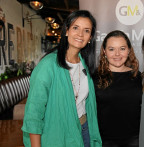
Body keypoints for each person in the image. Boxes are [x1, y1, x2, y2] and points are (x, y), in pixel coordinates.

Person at [21, 10, 102, 147]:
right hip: (56, 134)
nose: (80, 34)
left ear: (90, 38)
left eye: (86, 30)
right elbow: (34, 114)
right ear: (66, 31)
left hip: (84, 130)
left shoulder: (86, 64)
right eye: (75, 28)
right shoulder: (47, 65)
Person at [93, 30, 142, 147]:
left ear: (129, 50)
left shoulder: (139, 76)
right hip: (103, 141)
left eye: (122, 48)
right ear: (104, 51)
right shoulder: (94, 77)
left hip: (135, 140)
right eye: (111, 49)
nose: (117, 54)